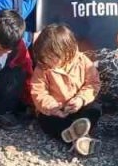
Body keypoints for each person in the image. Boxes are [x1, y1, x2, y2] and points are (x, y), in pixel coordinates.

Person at [29, 24, 102, 156]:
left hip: (78, 107)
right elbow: (38, 92)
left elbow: (93, 84)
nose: (46, 61)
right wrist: (53, 107)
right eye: (43, 58)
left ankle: (78, 133)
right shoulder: (42, 68)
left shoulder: (83, 62)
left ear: (65, 52)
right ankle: (80, 138)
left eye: (50, 57)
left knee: (95, 109)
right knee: (47, 122)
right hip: (55, 111)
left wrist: (80, 99)